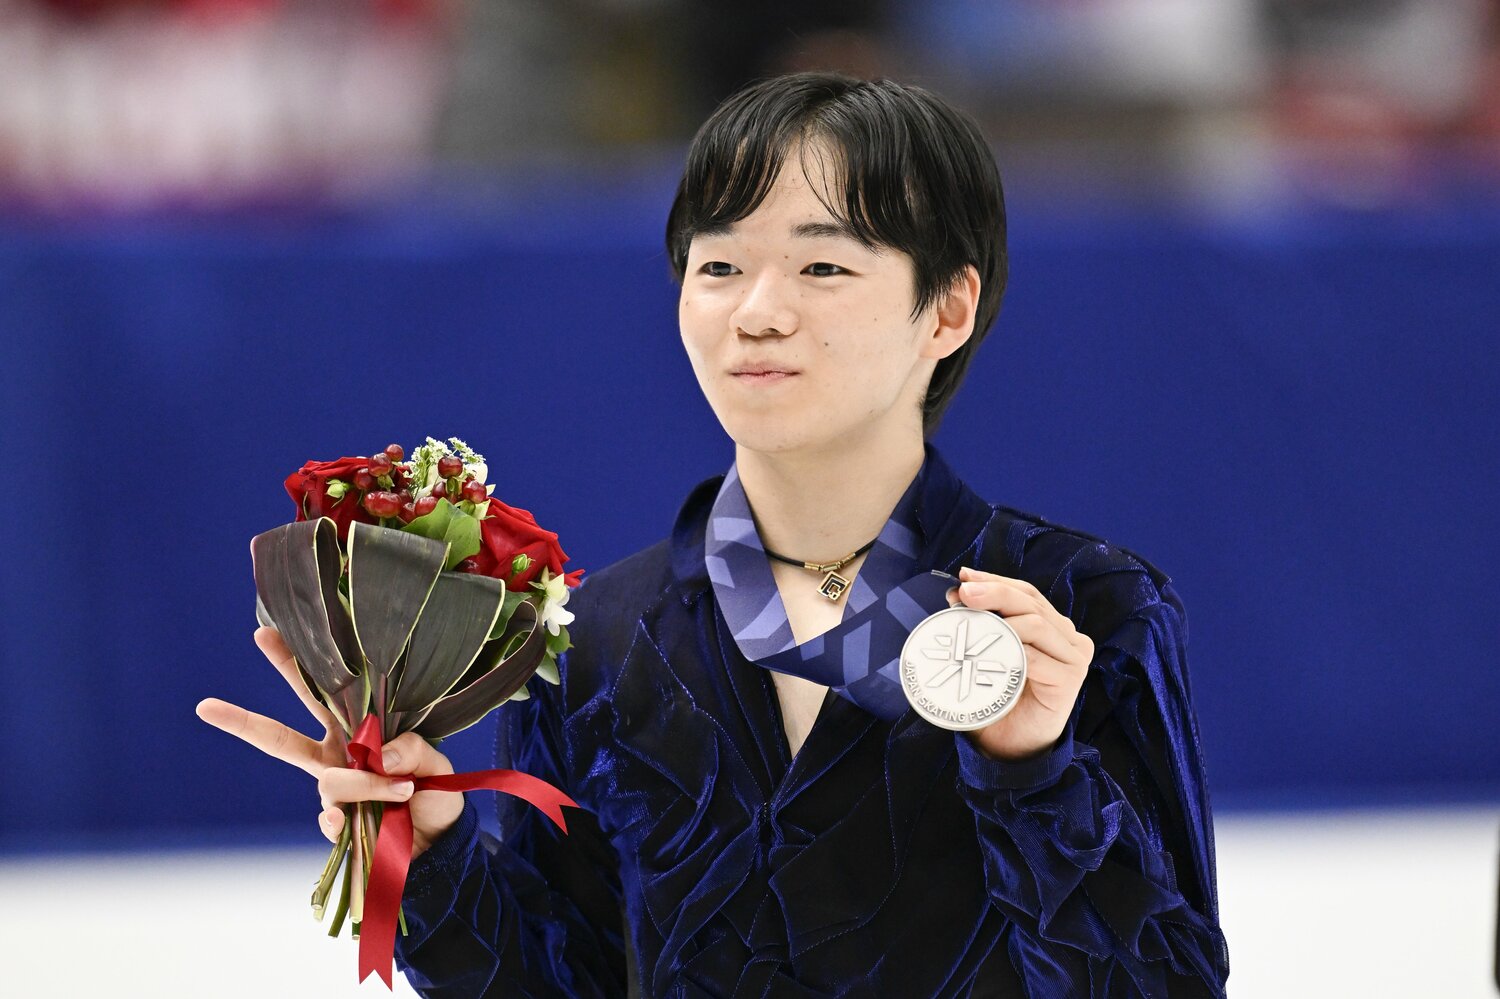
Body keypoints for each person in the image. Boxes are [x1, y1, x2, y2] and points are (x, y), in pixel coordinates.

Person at [198, 71, 1231, 997]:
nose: (759, 312)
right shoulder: (600, 635)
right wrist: (431, 856)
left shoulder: (1078, 614)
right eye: (720, 266)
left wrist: (1033, 775)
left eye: (823, 269)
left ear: (948, 309)